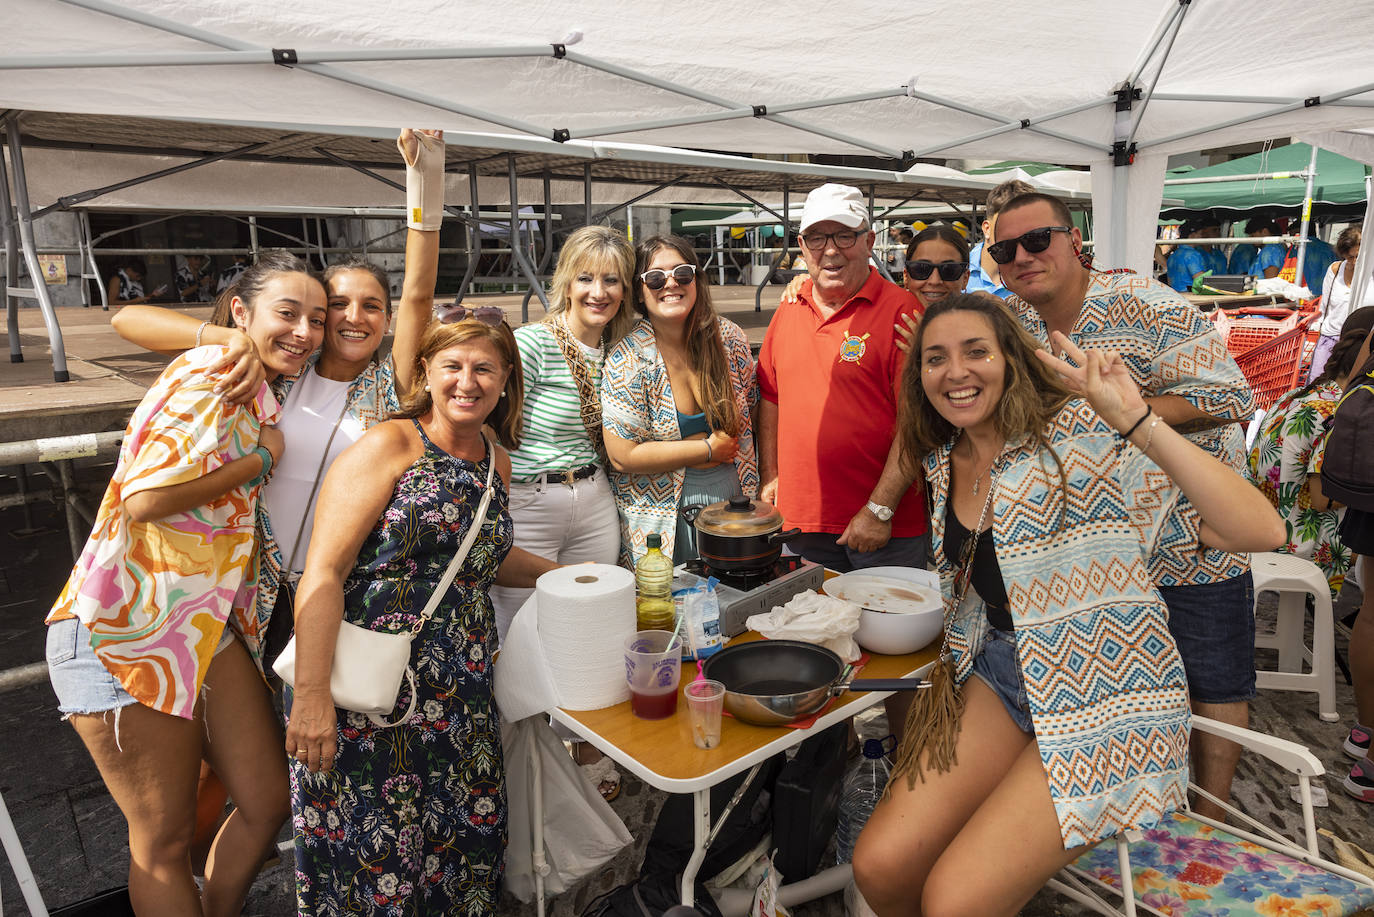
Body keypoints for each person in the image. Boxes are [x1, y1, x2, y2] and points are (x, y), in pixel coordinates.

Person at [851, 292, 1283, 917]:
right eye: (935, 358)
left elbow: (1257, 531)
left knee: (954, 898)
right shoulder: (949, 460)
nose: (956, 371)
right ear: (919, 378)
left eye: (977, 351)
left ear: (1013, 360)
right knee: (881, 865)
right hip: (1003, 673)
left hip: (1106, 692)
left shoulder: (1082, 441)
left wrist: (1134, 419)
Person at [45, 251, 325, 917]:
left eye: (316, 317)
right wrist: (261, 458)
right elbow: (145, 499)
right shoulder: (213, 372)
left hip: (197, 628)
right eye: (288, 313)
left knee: (267, 798)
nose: (305, 331)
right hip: (123, 630)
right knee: (164, 843)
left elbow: (131, 321)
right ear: (240, 311)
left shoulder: (257, 385)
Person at [990, 192, 1259, 822]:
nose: (1024, 258)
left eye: (1038, 240)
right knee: (1120, 686)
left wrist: (1117, 414)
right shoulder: (1013, 323)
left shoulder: (1145, 305)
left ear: (1074, 239)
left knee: (1212, 682)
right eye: (1006, 250)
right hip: (1095, 548)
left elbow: (1230, 396)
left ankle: (1212, 820)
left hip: (1191, 535)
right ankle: (1131, 814)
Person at [284, 319, 560, 916]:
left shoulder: (497, 461)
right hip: (370, 692)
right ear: (427, 375)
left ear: (507, 379)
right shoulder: (389, 444)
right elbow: (323, 573)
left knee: (457, 846)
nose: (468, 382)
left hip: (460, 691)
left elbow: (483, 555)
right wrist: (310, 697)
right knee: (375, 854)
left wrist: (569, 575)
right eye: (453, 366)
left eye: (484, 368)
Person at [756, 182, 926, 572]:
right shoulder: (789, 307)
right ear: (802, 247)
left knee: (887, 632)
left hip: (885, 527)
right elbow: (771, 398)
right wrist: (771, 475)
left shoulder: (903, 312)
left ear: (868, 241)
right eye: (817, 237)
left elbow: (916, 423)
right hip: (800, 524)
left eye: (844, 235)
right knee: (807, 631)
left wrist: (879, 509)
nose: (830, 249)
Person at [487, 225, 636, 638]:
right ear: (567, 283)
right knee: (522, 627)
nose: (598, 292)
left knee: (592, 616)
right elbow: (488, 426)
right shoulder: (532, 343)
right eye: (585, 278)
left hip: (594, 501)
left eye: (611, 280)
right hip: (530, 503)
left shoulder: (621, 350)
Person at [601, 234, 757, 565]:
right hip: (660, 520)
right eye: (655, 278)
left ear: (697, 280)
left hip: (736, 501)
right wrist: (708, 449)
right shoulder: (628, 358)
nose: (670, 284)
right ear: (640, 293)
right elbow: (622, 456)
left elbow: (753, 413)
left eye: (682, 273)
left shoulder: (730, 340)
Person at [1249, 318, 1372, 602]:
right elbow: (1322, 499)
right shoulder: (1337, 413)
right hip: (1296, 540)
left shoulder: (1297, 396)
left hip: (1260, 522)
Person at [1309, 227, 1374, 380]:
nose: (1354, 262)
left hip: (1361, 345)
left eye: (1357, 256)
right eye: (1349, 257)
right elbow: (1325, 307)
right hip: (1330, 341)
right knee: (1317, 389)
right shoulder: (1335, 270)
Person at [966, 179, 1035, 299]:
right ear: (987, 229)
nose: (1017, 235)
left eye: (1028, 230)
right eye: (1008, 225)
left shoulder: (1036, 275)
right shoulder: (956, 271)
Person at [902, 224, 970, 310]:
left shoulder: (984, 322)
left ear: (965, 278)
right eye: (921, 269)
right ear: (906, 277)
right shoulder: (884, 321)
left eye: (948, 270)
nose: (935, 281)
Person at [1166, 217, 1227, 292]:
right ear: (1192, 235)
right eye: (1200, 234)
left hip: (1176, 295)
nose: (1202, 236)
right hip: (1190, 296)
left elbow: (1169, 281)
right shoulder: (1192, 254)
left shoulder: (1174, 255)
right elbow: (1199, 279)